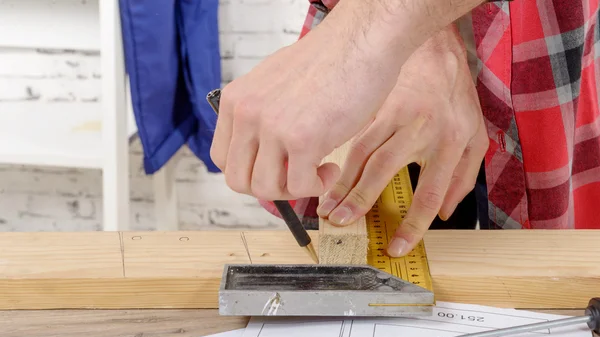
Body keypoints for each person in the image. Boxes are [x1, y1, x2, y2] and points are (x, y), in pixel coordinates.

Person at [209, 0, 600, 257]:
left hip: (539, 42)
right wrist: (417, 42)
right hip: (377, 55)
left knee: (523, 271)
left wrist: (379, 35)